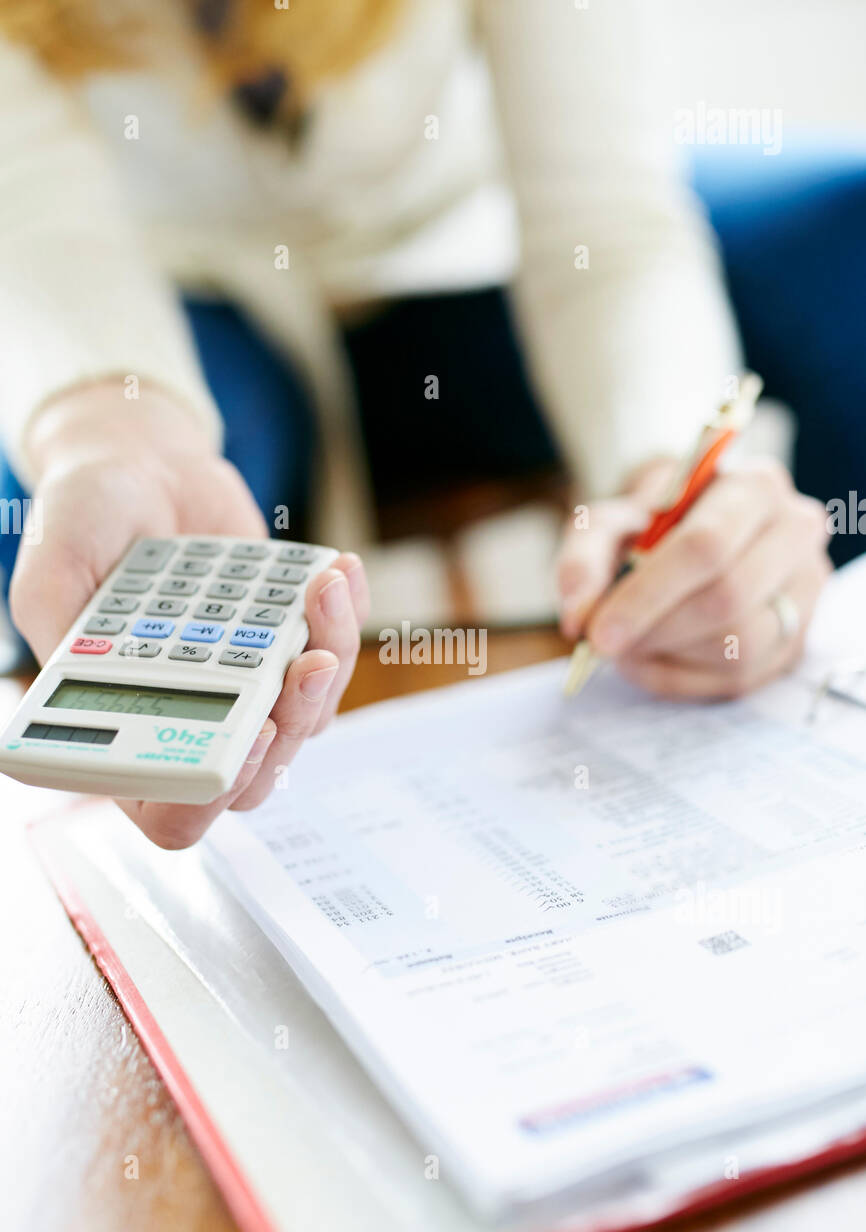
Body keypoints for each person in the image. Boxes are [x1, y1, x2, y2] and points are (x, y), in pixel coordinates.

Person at [0, 0, 838, 849]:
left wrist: (668, 471)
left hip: (454, 270)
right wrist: (104, 434)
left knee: (843, 242)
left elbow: (605, 223)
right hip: (179, 310)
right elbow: (38, 223)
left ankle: (787, 631)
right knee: (84, 530)